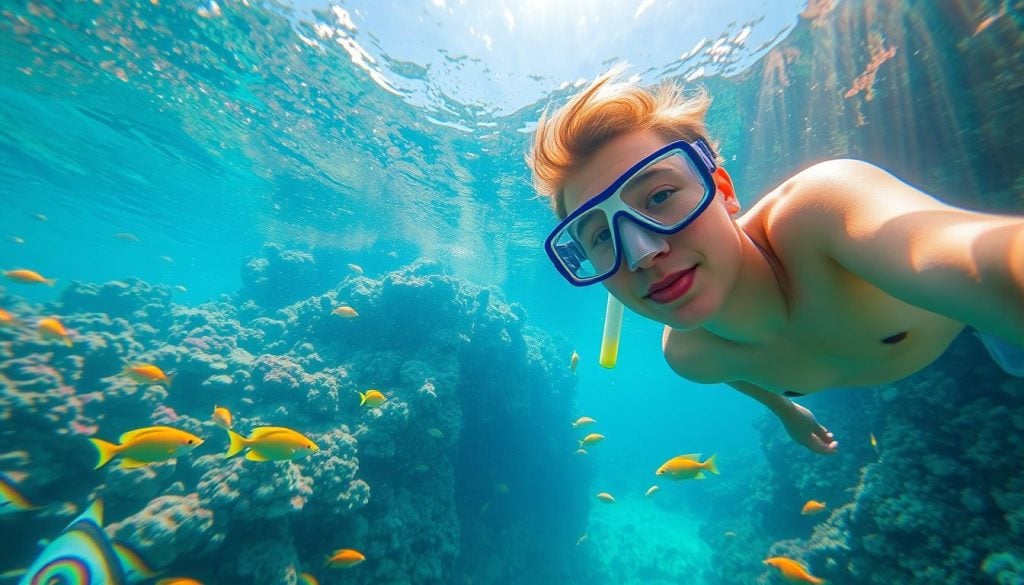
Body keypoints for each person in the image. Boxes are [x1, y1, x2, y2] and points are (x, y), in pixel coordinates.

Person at [528, 71, 1024, 454]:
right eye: (598, 236)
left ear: (722, 190)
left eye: (659, 196)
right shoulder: (691, 358)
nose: (642, 252)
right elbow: (743, 377)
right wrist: (786, 411)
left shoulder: (821, 214)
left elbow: (971, 254)